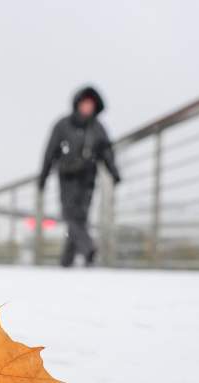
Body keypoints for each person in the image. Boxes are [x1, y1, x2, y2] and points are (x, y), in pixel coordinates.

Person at [38, 85, 121, 267]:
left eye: (90, 104)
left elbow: (107, 152)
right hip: (67, 177)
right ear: (78, 104)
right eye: (84, 104)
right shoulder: (63, 125)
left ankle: (66, 262)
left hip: (88, 178)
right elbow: (50, 151)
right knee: (70, 215)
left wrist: (114, 172)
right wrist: (43, 176)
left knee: (80, 218)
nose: (87, 108)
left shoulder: (98, 128)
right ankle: (88, 248)